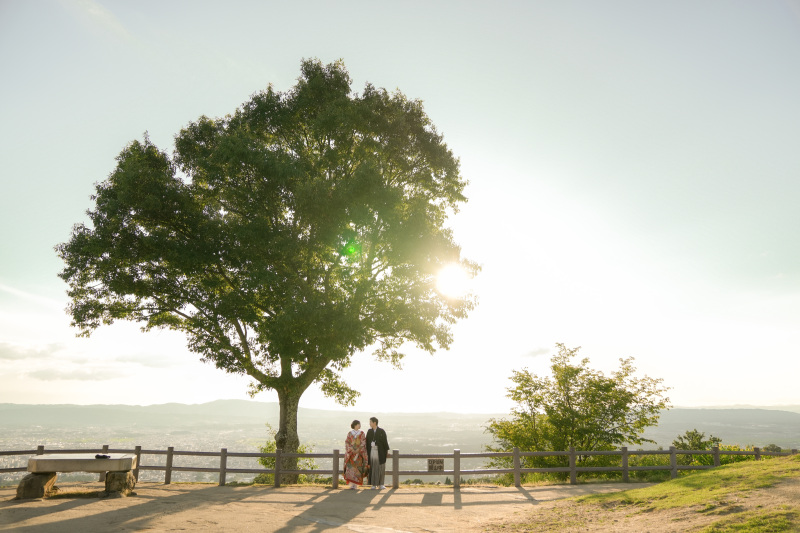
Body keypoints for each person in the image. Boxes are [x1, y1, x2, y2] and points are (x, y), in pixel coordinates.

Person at [366, 416, 389, 489]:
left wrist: (386, 452)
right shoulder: (369, 431)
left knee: (381, 467)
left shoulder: (381, 431)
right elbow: (367, 442)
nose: (369, 423)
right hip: (372, 451)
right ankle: (373, 484)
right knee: (373, 467)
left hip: (380, 452)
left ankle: (381, 484)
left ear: (374, 423)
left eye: (370, 422)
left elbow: (385, 442)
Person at [344, 419, 368, 489]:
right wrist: (351, 449)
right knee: (351, 469)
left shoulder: (362, 433)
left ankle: (356, 484)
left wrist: (358, 449)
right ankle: (352, 484)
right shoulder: (350, 433)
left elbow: (363, 442)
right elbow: (347, 442)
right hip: (351, 454)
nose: (360, 425)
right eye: (359, 424)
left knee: (357, 469)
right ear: (355, 425)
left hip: (359, 454)